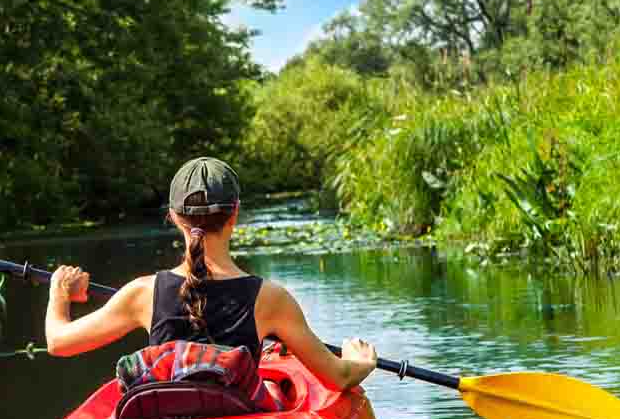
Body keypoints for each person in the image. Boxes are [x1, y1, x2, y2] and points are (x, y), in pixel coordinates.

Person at [44, 157, 378, 392]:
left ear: (174, 217)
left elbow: (59, 343)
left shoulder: (143, 293)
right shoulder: (271, 299)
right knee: (275, 393)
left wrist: (59, 294)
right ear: (235, 214)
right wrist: (360, 362)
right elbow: (338, 377)